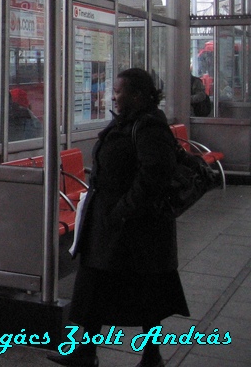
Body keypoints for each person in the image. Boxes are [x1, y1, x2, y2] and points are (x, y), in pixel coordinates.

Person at [47, 68, 189, 367]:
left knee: (142, 290)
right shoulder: (129, 122)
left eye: (119, 90)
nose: (114, 95)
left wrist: (124, 209)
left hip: (135, 227)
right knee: (95, 286)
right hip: (111, 222)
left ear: (136, 95)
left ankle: (150, 355)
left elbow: (155, 174)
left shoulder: (148, 126)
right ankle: (87, 351)